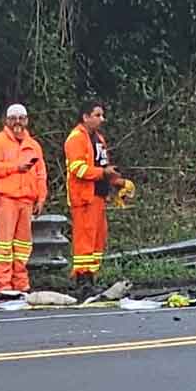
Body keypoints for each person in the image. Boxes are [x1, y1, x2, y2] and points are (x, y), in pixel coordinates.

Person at [0, 104, 48, 295]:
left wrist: (41, 198)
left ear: (27, 120)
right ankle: (2, 285)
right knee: (4, 244)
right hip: (7, 199)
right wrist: (16, 167)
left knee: (23, 246)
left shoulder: (33, 145)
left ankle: (21, 284)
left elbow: (40, 174)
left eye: (21, 118)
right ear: (7, 121)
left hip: (27, 201)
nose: (17, 122)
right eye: (13, 118)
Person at [65, 100, 122, 294]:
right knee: (84, 240)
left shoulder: (98, 138)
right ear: (85, 117)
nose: (101, 119)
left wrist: (117, 182)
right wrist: (103, 173)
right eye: (97, 115)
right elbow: (78, 169)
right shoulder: (76, 139)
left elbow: (104, 165)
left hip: (99, 196)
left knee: (98, 238)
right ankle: (82, 280)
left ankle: (92, 277)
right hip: (83, 197)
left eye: (102, 115)